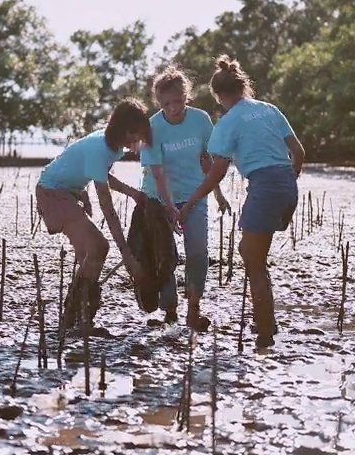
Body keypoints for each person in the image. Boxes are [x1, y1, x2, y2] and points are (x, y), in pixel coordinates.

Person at [182, 55, 304, 349]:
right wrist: (288, 182)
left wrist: (190, 202)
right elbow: (298, 152)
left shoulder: (228, 122)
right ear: (243, 86)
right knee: (250, 252)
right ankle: (267, 321)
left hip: (264, 188)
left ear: (219, 96)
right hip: (287, 185)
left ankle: (265, 334)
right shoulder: (270, 109)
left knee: (254, 262)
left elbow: (215, 175)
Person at [36, 97, 151, 334]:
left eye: (139, 132)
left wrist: (132, 193)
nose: (136, 138)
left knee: (89, 256)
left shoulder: (114, 148)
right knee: (99, 247)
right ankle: (75, 317)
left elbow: (100, 174)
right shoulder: (101, 147)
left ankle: (78, 321)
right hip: (53, 193)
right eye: (132, 132)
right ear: (120, 129)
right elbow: (108, 209)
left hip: (69, 192)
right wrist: (128, 257)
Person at [139, 66, 231, 331]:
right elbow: (156, 173)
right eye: (166, 103)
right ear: (159, 103)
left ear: (187, 97)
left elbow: (209, 162)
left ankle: (194, 307)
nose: (173, 108)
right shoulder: (152, 127)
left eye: (177, 101)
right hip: (159, 196)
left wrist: (218, 194)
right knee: (166, 255)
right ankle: (170, 311)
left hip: (194, 194)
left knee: (198, 251)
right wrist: (170, 207)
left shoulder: (201, 121)